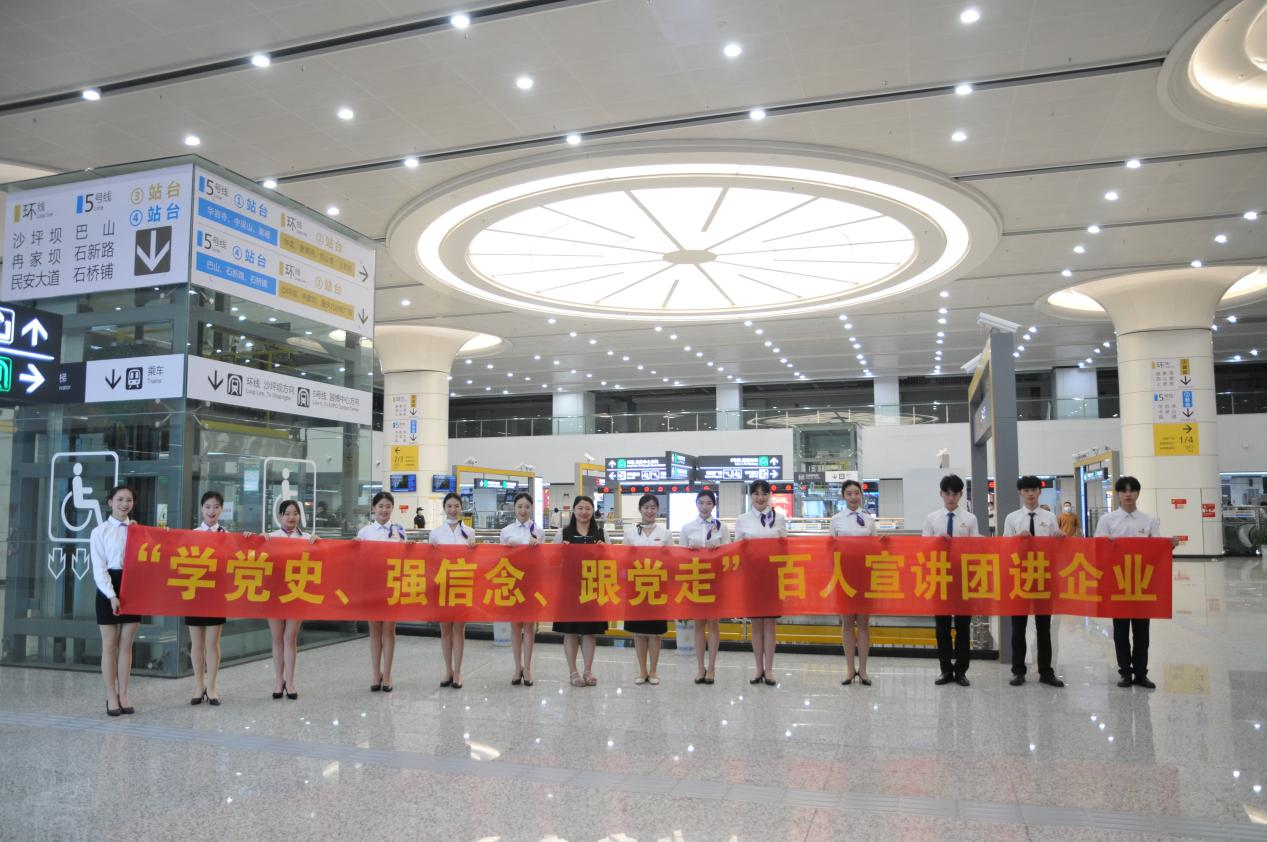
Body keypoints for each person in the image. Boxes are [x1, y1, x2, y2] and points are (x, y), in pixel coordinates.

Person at [1095, 476, 1180, 689]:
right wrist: (1106, 544)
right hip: (1117, 583)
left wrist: (1170, 545)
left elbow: (1157, 548)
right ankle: (1125, 672)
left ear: (1138, 494)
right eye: (1124, 491)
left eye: (1132, 490)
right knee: (1120, 631)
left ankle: (1141, 673)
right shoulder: (1107, 520)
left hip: (1143, 584)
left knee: (1142, 632)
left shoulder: (1148, 521)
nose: (1128, 494)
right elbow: (1096, 548)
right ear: (1117, 494)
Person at [1003, 476, 1065, 688]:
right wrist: (1016, 539)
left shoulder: (1050, 517)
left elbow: (1057, 548)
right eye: (1026, 490)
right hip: (1019, 577)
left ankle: (1046, 671)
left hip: (1043, 576)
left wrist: (1059, 537)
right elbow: (1004, 546)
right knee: (1018, 628)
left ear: (1039, 492)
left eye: (1034, 490)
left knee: (1044, 628)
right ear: (1020, 493)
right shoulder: (1012, 518)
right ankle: (1018, 671)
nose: (1030, 493)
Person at [922, 474, 980, 687]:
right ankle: (945, 670)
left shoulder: (970, 519)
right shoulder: (932, 519)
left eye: (955, 493)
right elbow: (923, 547)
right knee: (942, 628)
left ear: (961, 494)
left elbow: (976, 548)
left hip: (963, 577)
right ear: (941, 494)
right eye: (947, 493)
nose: (951, 497)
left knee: (963, 627)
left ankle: (961, 671)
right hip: (940, 577)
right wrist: (937, 541)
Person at [91, 484, 141, 717]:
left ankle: (124, 694)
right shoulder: (99, 531)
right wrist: (112, 595)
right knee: (109, 644)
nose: (124, 504)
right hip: (108, 586)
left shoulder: (138, 530)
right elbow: (99, 568)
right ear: (110, 502)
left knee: (127, 644)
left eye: (129, 500)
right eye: (120, 499)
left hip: (133, 585)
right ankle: (111, 695)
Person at [734, 479, 787, 686]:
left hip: (773, 577)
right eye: (756, 493)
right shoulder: (742, 520)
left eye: (764, 493)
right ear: (750, 496)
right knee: (756, 625)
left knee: (770, 625)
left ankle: (770, 670)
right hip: (752, 577)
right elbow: (737, 549)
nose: (760, 498)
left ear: (769, 496)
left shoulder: (779, 518)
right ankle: (758, 668)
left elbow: (785, 547)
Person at [553, 495, 607, 688]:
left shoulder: (601, 533)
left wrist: (604, 551)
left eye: (588, 509)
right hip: (569, 589)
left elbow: (610, 561)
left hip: (592, 588)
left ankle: (588, 670)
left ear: (593, 511)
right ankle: (573, 672)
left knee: (589, 632)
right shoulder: (563, 533)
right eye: (580, 508)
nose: (584, 512)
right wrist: (561, 552)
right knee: (570, 632)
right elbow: (552, 561)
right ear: (574, 511)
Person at [268, 499, 319, 700]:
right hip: (274, 594)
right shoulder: (270, 537)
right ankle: (278, 680)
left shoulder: (307, 538)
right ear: (280, 516)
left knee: (290, 638)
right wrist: (252, 539)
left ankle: (290, 681)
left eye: (295, 513)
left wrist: (319, 543)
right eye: (287, 513)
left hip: (297, 592)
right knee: (277, 638)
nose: (291, 517)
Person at [677, 489, 728, 685]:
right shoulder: (687, 527)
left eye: (708, 503)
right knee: (698, 623)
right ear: (696, 504)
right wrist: (691, 551)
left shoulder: (721, 527)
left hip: (715, 580)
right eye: (701, 503)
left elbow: (729, 553)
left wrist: (718, 550)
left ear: (714, 505)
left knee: (714, 623)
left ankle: (712, 667)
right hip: (695, 579)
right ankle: (700, 667)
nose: (705, 507)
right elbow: (680, 556)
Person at [357, 491, 406, 693]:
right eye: (380, 506)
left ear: (392, 508)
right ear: (374, 508)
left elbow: (406, 557)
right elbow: (356, 559)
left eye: (388, 506)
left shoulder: (400, 531)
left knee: (389, 630)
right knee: (375, 630)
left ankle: (387, 674)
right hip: (372, 586)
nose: (384, 510)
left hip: (392, 585)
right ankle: (375, 673)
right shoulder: (364, 532)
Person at [830, 479, 877, 686]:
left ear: (861, 495)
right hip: (844, 575)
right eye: (849, 493)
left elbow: (875, 547)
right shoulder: (836, 520)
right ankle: (850, 669)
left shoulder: (869, 519)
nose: (853, 497)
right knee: (848, 623)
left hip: (865, 575)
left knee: (864, 623)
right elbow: (830, 548)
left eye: (856, 493)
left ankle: (863, 670)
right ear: (843, 496)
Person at [430, 491, 477, 689]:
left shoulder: (470, 532)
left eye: (456, 506)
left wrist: (474, 549)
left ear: (461, 508)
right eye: (449, 506)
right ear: (444, 508)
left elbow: (474, 561)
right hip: (442, 586)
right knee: (445, 630)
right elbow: (429, 562)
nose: (453, 509)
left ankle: (458, 671)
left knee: (459, 629)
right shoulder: (435, 533)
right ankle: (447, 669)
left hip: (461, 584)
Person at [622, 493, 670, 686]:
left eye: (653, 507)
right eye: (646, 507)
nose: (649, 511)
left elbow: (672, 560)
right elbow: (624, 560)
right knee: (639, 632)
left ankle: (654, 670)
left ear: (657, 510)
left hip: (658, 588)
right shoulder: (630, 533)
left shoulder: (665, 534)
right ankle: (642, 670)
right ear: (640, 509)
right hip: (636, 587)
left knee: (655, 632)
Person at [187, 491, 229, 706]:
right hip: (195, 591)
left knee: (213, 643)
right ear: (201, 509)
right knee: (196, 643)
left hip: (215, 593)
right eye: (208, 507)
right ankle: (198, 685)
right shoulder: (191, 534)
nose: (212, 511)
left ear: (222, 509)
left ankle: (212, 687)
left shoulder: (227, 535)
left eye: (216, 507)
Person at [499, 492, 540, 687]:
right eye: (519, 506)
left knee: (530, 626)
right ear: (514, 509)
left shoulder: (538, 531)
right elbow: (499, 559)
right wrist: (508, 548)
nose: (523, 510)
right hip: (512, 582)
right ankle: (517, 667)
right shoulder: (506, 531)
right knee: (515, 626)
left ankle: (528, 667)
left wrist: (536, 547)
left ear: (531, 508)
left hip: (531, 583)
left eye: (527, 507)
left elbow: (543, 560)